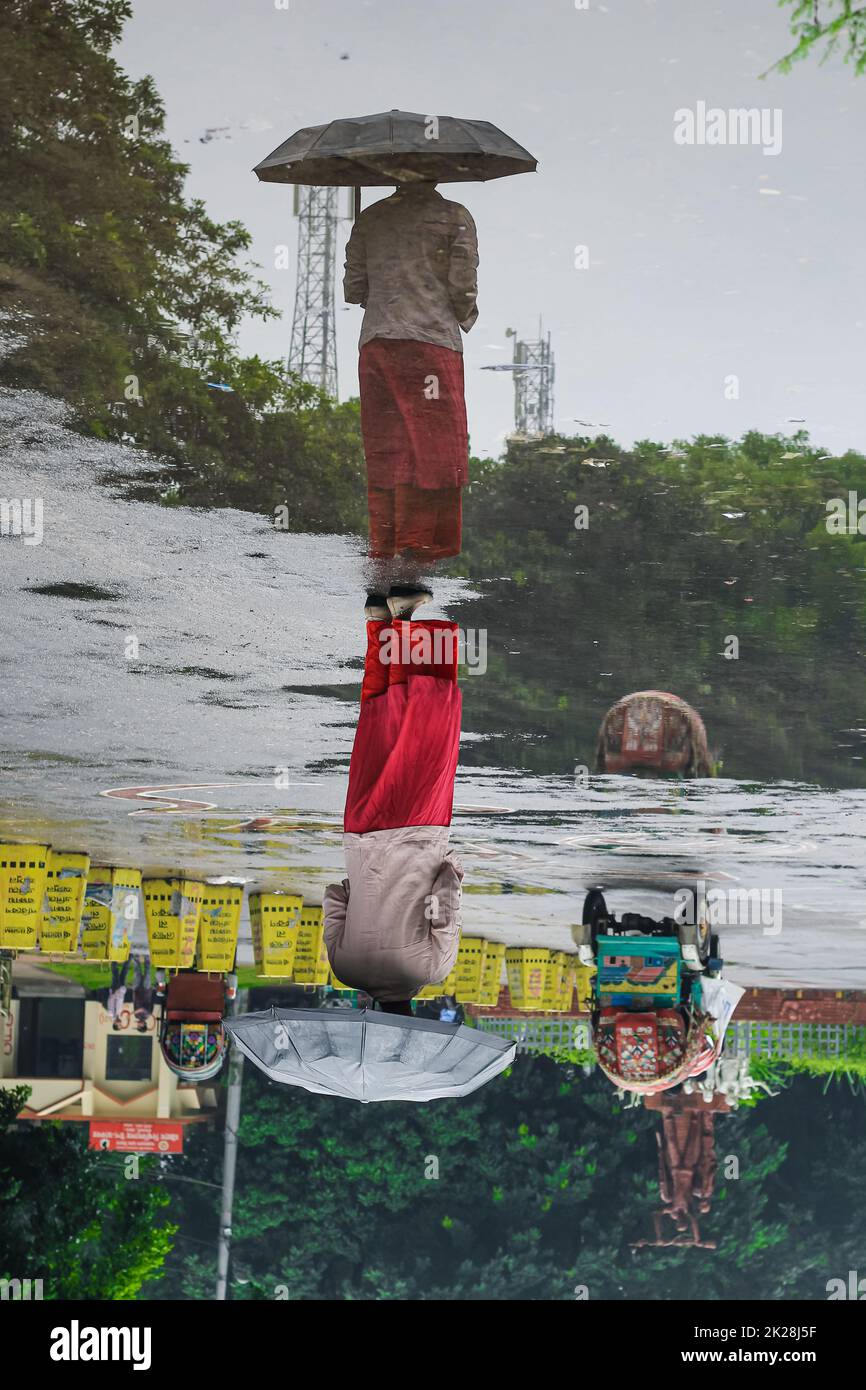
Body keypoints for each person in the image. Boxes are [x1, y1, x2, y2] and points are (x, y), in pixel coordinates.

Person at [323, 586, 463, 1008]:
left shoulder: (431, 970)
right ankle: (378, 625)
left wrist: (451, 869)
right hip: (361, 834)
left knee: (421, 721)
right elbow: (334, 896)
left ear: (413, 1014)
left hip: (419, 831)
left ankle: (403, 623)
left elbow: (447, 898)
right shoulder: (344, 969)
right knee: (379, 722)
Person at [343, 178, 478, 563]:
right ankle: (415, 547)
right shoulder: (455, 217)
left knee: (387, 447)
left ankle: (384, 548)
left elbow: (354, 287)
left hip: (377, 345)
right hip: (430, 345)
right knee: (432, 450)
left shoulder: (370, 218)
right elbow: (463, 288)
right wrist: (463, 315)